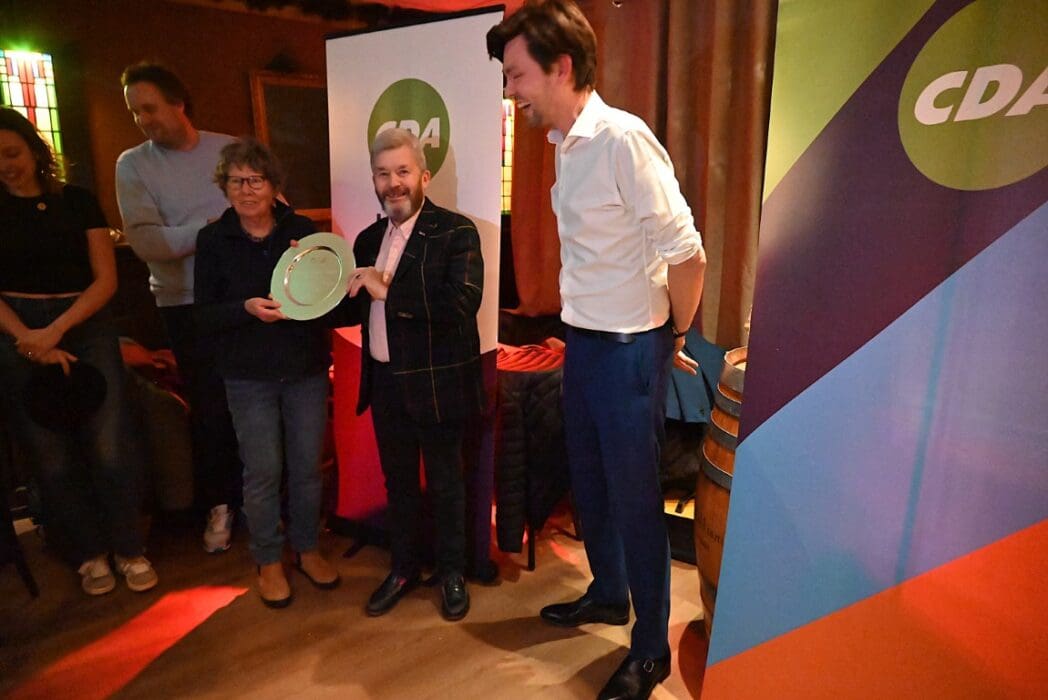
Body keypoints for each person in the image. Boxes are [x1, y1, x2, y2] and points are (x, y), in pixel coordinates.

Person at [487, 2, 707, 698]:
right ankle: (609, 594)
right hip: (583, 343)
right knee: (590, 482)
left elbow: (688, 254)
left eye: (517, 74)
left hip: (629, 350)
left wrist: (672, 335)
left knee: (636, 499)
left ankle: (650, 648)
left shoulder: (623, 140)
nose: (510, 90)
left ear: (561, 67)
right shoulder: (565, 142)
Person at [0, 107, 158, 595]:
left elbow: (106, 280)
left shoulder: (78, 201)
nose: (6, 165)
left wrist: (56, 330)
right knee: (50, 455)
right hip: (16, 329)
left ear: (34, 150)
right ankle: (89, 554)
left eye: (11, 152)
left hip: (85, 322)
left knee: (109, 444)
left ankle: (129, 547)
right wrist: (29, 338)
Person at [193, 138, 341, 608]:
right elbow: (203, 315)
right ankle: (269, 559)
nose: (246, 189)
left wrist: (312, 273)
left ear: (274, 186)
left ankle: (307, 548)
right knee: (262, 472)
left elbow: (328, 297)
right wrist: (245, 308)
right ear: (224, 187)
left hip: (304, 367)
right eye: (236, 181)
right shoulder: (213, 240)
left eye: (255, 180)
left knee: (306, 468)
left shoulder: (300, 231)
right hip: (247, 374)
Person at [348, 128, 484, 622]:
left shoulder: (456, 232)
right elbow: (354, 305)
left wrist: (387, 290)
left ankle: (451, 574)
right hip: (385, 383)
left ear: (424, 176)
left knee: (447, 484)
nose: (393, 183)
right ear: (374, 181)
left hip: (438, 383)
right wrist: (311, 283)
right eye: (383, 174)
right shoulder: (367, 239)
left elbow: (461, 304)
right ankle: (403, 569)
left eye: (403, 171)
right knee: (399, 483)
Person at [115, 62, 240, 554]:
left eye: (149, 108)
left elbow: (268, 209)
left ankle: (259, 500)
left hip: (240, 296)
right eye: (135, 112)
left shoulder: (229, 149)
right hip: (184, 303)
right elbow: (147, 243)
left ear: (178, 103)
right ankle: (220, 503)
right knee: (209, 409)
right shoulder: (133, 164)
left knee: (251, 400)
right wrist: (213, 231)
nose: (142, 120)